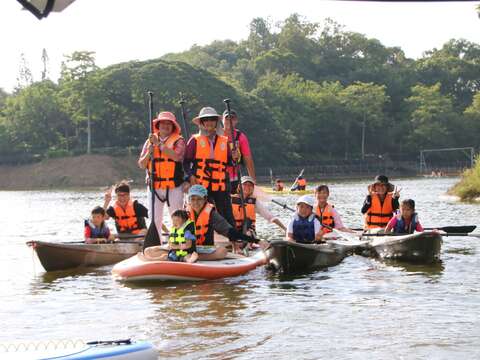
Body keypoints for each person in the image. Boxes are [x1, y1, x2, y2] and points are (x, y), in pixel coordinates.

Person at [183, 107, 237, 226]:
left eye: (212, 119)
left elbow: (230, 162)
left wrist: (234, 158)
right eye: (206, 120)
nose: (209, 122)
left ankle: (233, 240)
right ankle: (196, 237)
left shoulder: (224, 141)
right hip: (201, 183)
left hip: (220, 184)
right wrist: (190, 176)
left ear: (216, 122)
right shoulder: (194, 141)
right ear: (201, 123)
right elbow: (185, 162)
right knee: (201, 211)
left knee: (226, 213)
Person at [138, 111, 186, 233]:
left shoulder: (179, 141)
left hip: (173, 185)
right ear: (158, 125)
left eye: (169, 123)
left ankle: (180, 244)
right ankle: (156, 245)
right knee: (155, 219)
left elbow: (176, 157)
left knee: (177, 218)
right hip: (154, 186)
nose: (165, 126)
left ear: (173, 126)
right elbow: (142, 164)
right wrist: (149, 152)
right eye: (163, 123)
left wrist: (159, 144)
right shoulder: (149, 141)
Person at [187, 185, 255, 260]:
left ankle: (197, 257)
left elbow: (228, 230)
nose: (195, 202)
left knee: (223, 251)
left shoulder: (212, 214)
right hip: (187, 247)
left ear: (205, 199)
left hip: (205, 249)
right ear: (189, 200)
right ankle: (189, 257)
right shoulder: (183, 214)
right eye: (193, 199)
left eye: (199, 199)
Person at [221, 109, 256, 193]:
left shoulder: (241, 137)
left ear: (236, 121)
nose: (229, 121)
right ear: (222, 120)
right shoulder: (215, 135)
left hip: (235, 178)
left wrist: (253, 181)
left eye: (232, 119)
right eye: (227, 119)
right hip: (218, 178)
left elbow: (248, 159)